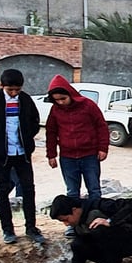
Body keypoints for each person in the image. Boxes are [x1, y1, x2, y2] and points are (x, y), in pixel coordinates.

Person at [0, 68, 44, 245]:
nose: (13, 93)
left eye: (17, 90)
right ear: (1, 85)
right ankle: (7, 229)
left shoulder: (26, 100)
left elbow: (35, 122)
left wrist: (26, 138)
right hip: (1, 155)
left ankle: (31, 228)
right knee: (2, 192)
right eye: (10, 90)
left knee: (29, 189)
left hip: (23, 154)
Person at [45, 76, 110, 230]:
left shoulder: (88, 105)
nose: (60, 102)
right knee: (72, 192)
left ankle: (96, 218)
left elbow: (101, 126)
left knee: (94, 189)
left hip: (89, 155)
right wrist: (51, 154)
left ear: (70, 94)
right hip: (68, 157)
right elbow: (51, 132)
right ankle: (73, 224)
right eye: (57, 100)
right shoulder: (55, 110)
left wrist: (103, 148)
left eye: (63, 98)